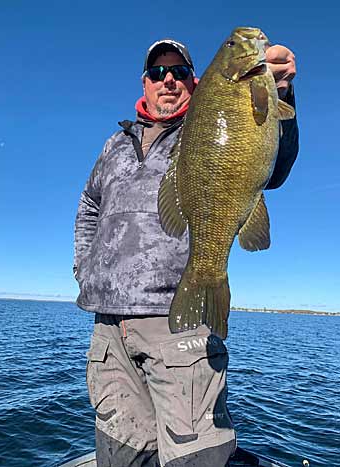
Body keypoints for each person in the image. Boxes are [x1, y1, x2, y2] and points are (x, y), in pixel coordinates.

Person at [74, 37, 299, 467]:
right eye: (159, 73)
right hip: (109, 331)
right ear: (145, 83)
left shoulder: (203, 122)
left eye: (179, 73)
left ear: (195, 83)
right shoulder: (114, 146)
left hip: (180, 324)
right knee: (121, 455)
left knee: (196, 457)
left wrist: (282, 93)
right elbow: (88, 206)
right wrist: (84, 267)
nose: (169, 81)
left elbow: (276, 164)